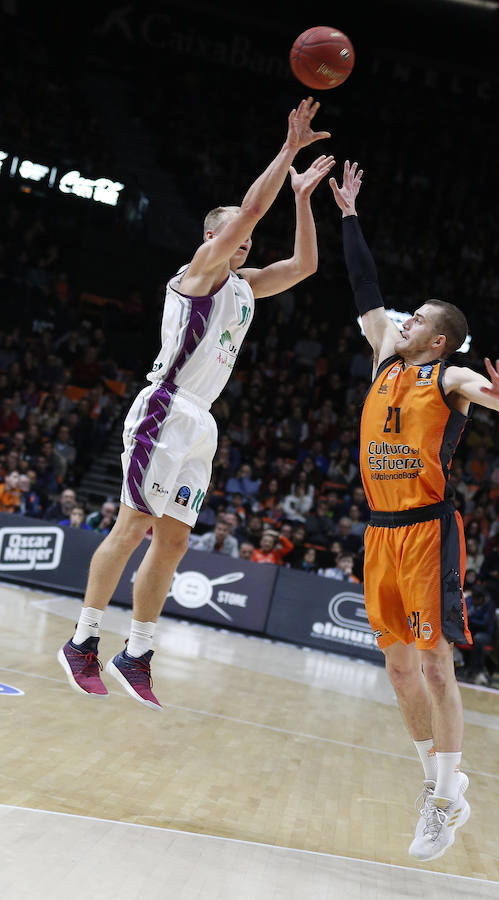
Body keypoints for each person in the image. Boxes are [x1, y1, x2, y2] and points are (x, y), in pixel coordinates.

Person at [57, 98, 334, 710]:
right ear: (215, 236)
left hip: (200, 421)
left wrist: (305, 200)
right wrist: (288, 152)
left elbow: (307, 265)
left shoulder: (245, 284)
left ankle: (139, 650)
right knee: (132, 527)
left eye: (250, 235)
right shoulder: (200, 272)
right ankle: (83, 640)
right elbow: (252, 208)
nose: (249, 238)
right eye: (239, 231)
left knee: (175, 540)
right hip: (165, 406)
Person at [329, 160, 499, 861]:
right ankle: (441, 784)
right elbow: (364, 285)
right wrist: (349, 213)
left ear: (438, 339)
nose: (402, 321)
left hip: (427, 532)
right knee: (398, 670)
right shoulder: (386, 353)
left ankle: (443, 800)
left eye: (416, 321)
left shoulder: (448, 375)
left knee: (437, 665)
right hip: (380, 533)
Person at [463, 584, 497, 685]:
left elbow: (485, 623)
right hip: (471, 631)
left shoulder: (490, 605)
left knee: (478, 639)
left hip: (484, 633)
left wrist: (470, 620)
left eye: (476, 599)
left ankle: (477, 670)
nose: (473, 601)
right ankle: (458, 666)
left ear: (481, 598)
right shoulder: (469, 600)